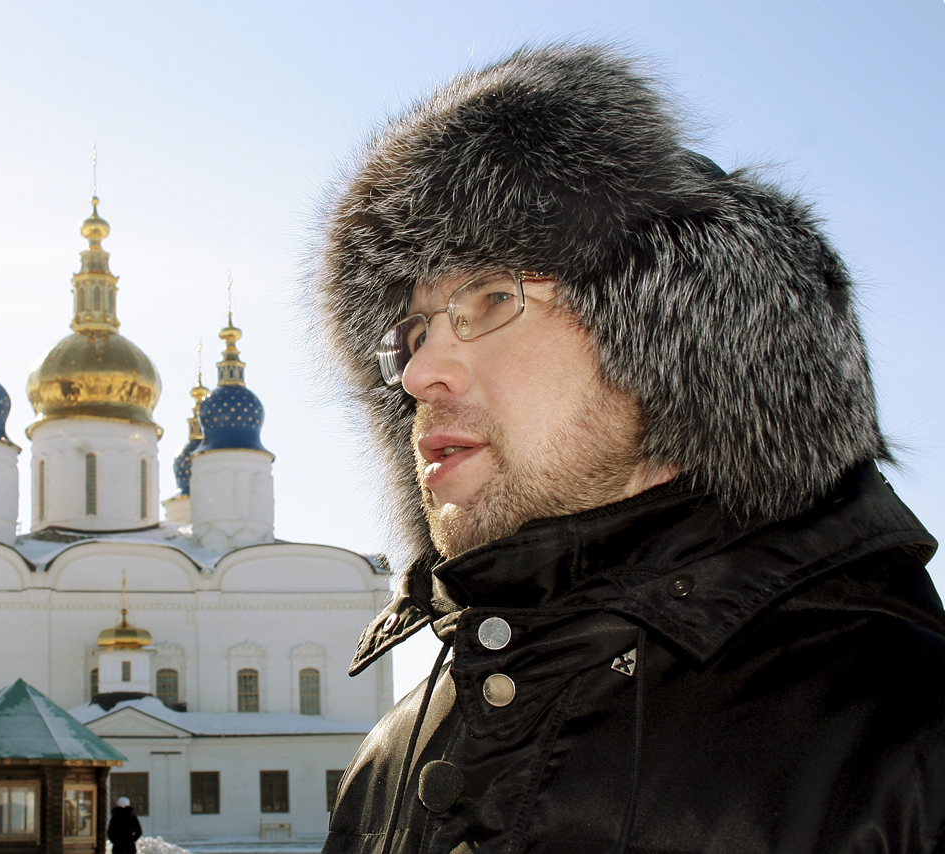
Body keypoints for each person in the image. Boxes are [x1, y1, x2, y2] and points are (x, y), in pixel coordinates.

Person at [313, 44, 945, 853]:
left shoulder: (902, 740)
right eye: (411, 334)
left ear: (674, 341)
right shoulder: (394, 759)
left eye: (493, 296)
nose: (422, 373)